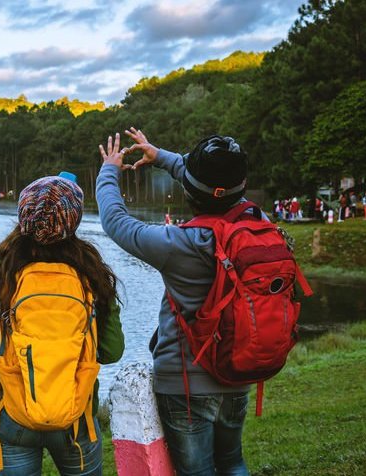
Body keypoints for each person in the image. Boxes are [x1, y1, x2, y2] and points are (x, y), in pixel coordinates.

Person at [96, 128, 253, 476]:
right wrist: (165, 158)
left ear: (191, 192)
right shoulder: (257, 226)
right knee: (233, 462)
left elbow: (115, 220)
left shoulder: (179, 244)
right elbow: (222, 192)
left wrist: (109, 170)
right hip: (239, 370)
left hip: (185, 385)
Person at [0, 174, 125, 476]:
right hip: (77, 413)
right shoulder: (91, 272)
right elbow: (112, 351)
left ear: (23, 215)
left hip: (13, 411)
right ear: (74, 220)